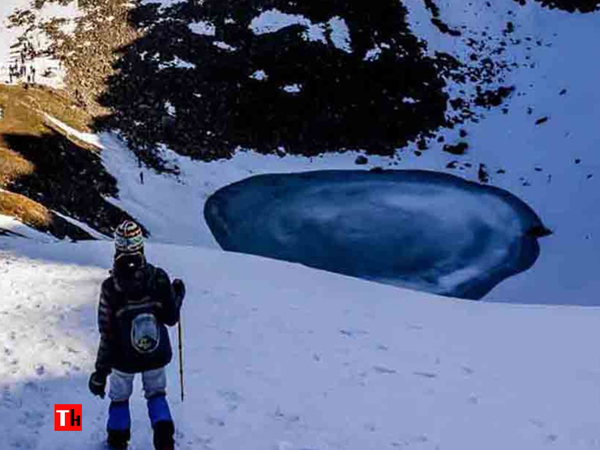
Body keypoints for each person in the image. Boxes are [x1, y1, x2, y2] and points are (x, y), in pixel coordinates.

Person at [89, 221, 186, 450]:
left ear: (117, 248)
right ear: (140, 246)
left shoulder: (110, 287)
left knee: (120, 399)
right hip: (155, 351)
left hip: (123, 358)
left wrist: (100, 372)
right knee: (156, 395)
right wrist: (177, 294)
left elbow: (107, 333)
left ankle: (117, 442)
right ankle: (164, 442)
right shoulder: (158, 277)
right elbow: (171, 318)